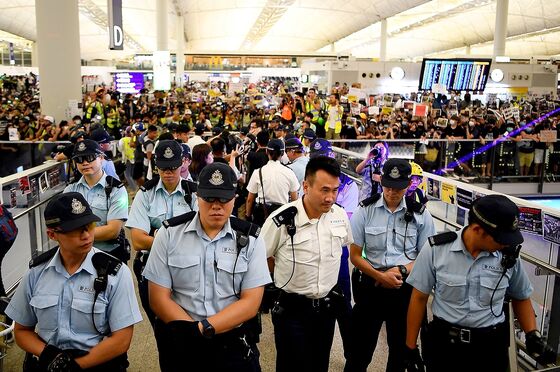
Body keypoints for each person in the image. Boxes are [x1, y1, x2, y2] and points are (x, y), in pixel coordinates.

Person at [405, 195, 556, 372]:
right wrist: (410, 348)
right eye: (501, 238)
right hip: (445, 347)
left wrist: (532, 335)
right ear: (478, 230)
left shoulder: (509, 256)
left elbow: (521, 296)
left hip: (490, 349)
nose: (506, 243)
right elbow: (419, 298)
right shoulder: (436, 249)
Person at [143, 162, 271, 372]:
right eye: (209, 198)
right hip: (182, 342)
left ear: (234, 198)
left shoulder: (251, 238)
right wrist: (192, 333)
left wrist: (204, 329)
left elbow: (251, 301)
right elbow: (158, 298)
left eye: (224, 199)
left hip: (232, 343)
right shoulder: (169, 235)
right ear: (197, 197)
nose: (216, 205)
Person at [5, 192, 141, 371]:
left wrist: (74, 367)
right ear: (52, 234)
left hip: (97, 363)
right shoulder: (36, 273)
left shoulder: (115, 273)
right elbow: (22, 331)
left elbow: (122, 339)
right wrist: (48, 354)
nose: (86, 235)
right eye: (75, 229)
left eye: (89, 226)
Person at [261, 156, 353, 372]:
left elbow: (345, 249)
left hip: (326, 309)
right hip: (292, 311)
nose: (330, 197)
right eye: (324, 190)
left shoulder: (339, 216)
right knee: (291, 366)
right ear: (305, 186)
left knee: (319, 364)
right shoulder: (282, 220)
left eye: (335, 190)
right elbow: (261, 258)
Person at [345, 158, 435, 372]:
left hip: (405, 289)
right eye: (387, 186)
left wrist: (402, 270)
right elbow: (355, 256)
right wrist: (379, 275)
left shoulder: (421, 215)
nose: (391, 192)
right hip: (370, 287)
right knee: (359, 350)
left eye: (397, 188)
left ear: (408, 185)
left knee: (401, 352)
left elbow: (427, 258)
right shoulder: (365, 211)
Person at [126, 140, 198, 327]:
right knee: (161, 329)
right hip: (152, 267)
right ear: (156, 166)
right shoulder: (145, 194)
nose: (168, 173)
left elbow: (201, 236)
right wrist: (179, 238)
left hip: (186, 270)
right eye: (163, 168)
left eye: (173, 167)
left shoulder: (193, 193)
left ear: (182, 162)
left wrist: (159, 238)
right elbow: (138, 241)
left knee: (187, 326)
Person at [64, 139, 130, 262]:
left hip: (108, 255)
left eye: (89, 158)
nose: (84, 163)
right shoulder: (70, 190)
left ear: (101, 158)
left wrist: (74, 235)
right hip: (77, 256)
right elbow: (63, 225)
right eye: (79, 159)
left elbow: (112, 231)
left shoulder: (116, 190)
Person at [245, 139, 299, 226]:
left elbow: (250, 199)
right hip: (282, 215)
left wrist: (248, 216)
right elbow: (294, 200)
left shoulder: (258, 172)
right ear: (282, 153)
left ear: (267, 151)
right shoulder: (289, 172)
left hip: (261, 215)